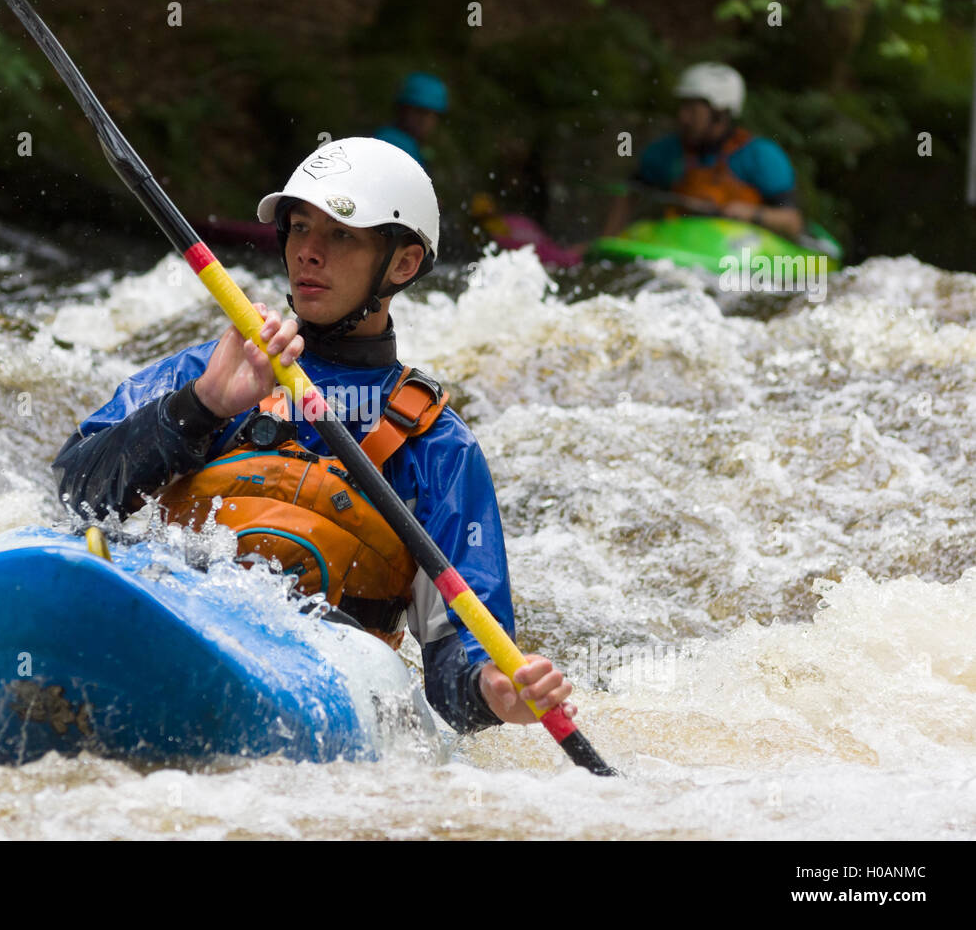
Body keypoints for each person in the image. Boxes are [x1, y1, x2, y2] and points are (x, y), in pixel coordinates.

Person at [52, 137, 574, 734]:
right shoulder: (208, 372)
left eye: (341, 235)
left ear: (402, 264)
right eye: (299, 228)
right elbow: (76, 494)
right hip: (169, 619)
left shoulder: (438, 449)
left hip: (318, 682)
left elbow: (456, 671)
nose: (309, 253)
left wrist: (495, 692)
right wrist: (200, 408)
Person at [603, 62, 804, 239]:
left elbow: (792, 222)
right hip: (684, 242)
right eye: (682, 107)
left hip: (739, 248)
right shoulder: (666, 151)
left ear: (719, 113)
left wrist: (751, 214)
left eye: (692, 110)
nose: (683, 117)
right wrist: (608, 239)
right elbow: (629, 193)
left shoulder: (762, 156)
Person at [374, 72, 448, 169]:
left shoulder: (414, 146)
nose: (426, 121)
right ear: (403, 110)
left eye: (433, 115)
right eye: (420, 112)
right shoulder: (392, 144)